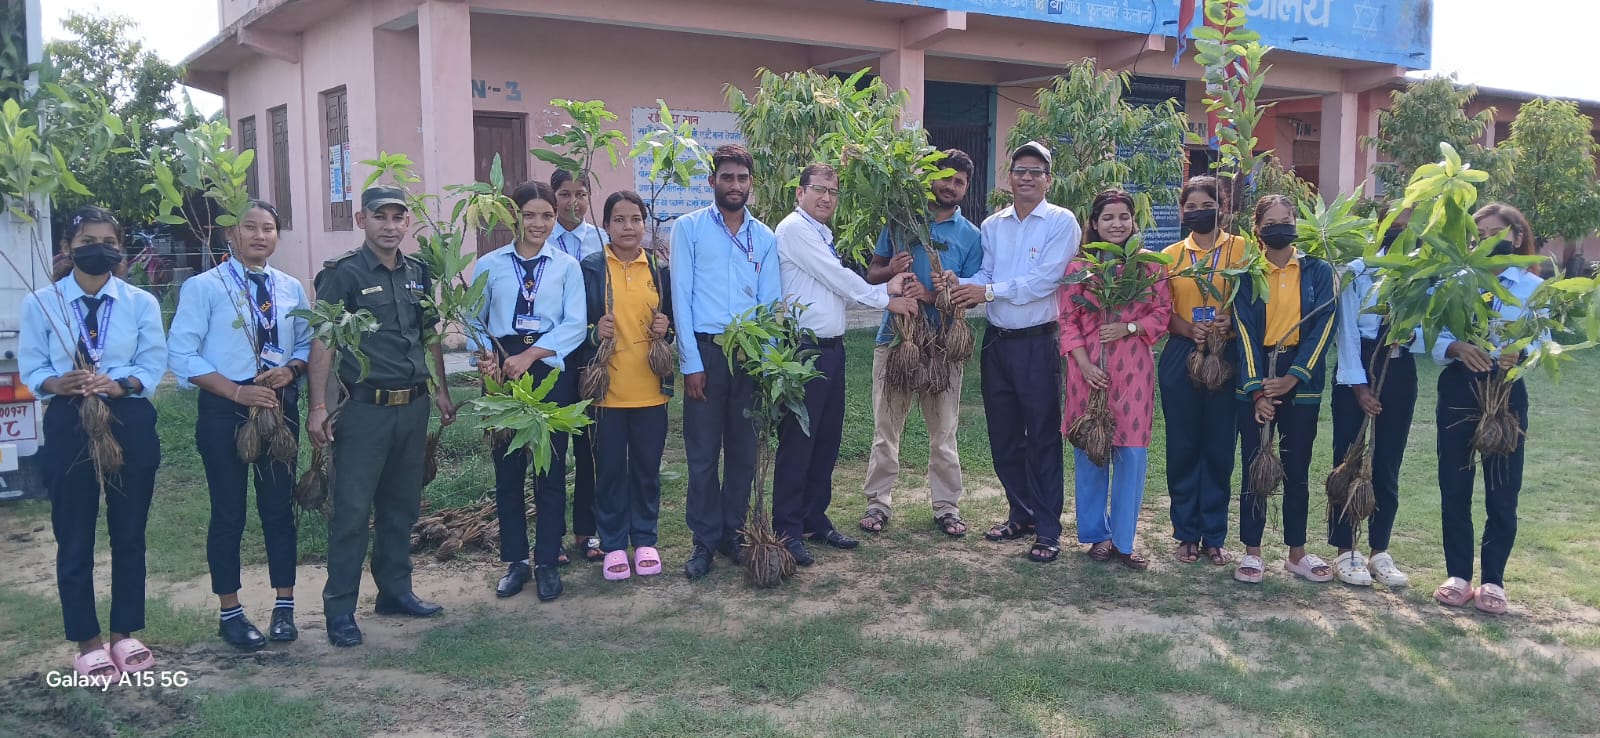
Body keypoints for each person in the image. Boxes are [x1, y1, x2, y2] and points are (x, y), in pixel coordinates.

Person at [307, 186, 458, 647]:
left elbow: (428, 332)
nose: (390, 226)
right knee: (352, 511)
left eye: (398, 217)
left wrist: (442, 389)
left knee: (401, 507)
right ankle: (340, 611)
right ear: (361, 220)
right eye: (380, 217)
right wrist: (318, 407)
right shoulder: (343, 275)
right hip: (363, 412)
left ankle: (395, 592)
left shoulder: (418, 272)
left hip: (411, 407)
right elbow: (324, 341)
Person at [21, 205, 166, 681]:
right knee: (75, 534)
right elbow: (32, 368)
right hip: (69, 420)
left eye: (107, 242)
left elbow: (151, 364)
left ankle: (125, 633)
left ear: (119, 249)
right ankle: (87, 641)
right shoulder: (41, 303)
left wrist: (120, 385)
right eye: (86, 243)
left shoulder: (140, 303)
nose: (97, 250)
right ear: (67, 248)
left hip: (127, 418)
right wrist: (56, 383)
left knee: (129, 531)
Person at [167, 200, 311, 650]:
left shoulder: (289, 288)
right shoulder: (204, 287)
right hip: (225, 407)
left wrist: (292, 369)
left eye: (268, 228)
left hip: (277, 405)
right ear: (232, 235)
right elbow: (182, 355)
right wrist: (235, 391)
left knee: (278, 509)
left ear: (277, 236)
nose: (259, 235)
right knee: (228, 512)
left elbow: (305, 341)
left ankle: (284, 607)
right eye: (250, 227)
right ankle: (230, 612)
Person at [773, 163, 918, 566]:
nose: (826, 197)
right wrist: (887, 299)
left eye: (832, 192)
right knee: (799, 442)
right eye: (818, 189)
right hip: (803, 351)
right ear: (799, 192)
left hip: (831, 350)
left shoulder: (821, 233)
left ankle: (812, 519)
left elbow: (836, 286)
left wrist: (879, 288)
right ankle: (786, 528)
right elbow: (838, 279)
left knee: (825, 440)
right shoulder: (794, 230)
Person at [943, 141, 1080, 563]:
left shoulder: (1061, 221)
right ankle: (1021, 513)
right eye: (1020, 169)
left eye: (1035, 171)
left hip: (1039, 342)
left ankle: (1048, 529)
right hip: (998, 342)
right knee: (1003, 437)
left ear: (1047, 180)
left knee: (1041, 436)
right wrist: (962, 282)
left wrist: (988, 290)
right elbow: (987, 272)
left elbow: (1045, 281)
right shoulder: (993, 225)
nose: (1026, 177)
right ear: (1009, 177)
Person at [859, 148, 984, 538]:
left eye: (959, 182)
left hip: (942, 345)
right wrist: (891, 270)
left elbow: (970, 292)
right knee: (886, 428)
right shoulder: (900, 220)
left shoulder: (971, 236)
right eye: (945, 176)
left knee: (944, 431)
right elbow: (873, 272)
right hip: (896, 340)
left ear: (966, 189)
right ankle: (878, 503)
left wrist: (939, 293)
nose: (950, 186)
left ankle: (947, 506)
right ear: (930, 178)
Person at [670, 143, 781, 580]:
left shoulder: (765, 237)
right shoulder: (690, 229)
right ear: (712, 181)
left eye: (742, 178)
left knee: (743, 450)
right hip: (707, 351)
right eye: (727, 177)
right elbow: (681, 295)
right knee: (701, 453)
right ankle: (703, 540)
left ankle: (732, 533)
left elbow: (771, 305)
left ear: (751, 183)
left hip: (750, 355)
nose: (735, 185)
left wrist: (770, 365)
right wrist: (691, 362)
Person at [472, 181, 587, 600]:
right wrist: (484, 355)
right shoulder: (490, 264)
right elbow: (472, 319)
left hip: (548, 371)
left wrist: (531, 356)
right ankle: (517, 561)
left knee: (551, 469)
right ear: (512, 217)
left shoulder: (565, 266)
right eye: (529, 215)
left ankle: (547, 560)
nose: (538, 224)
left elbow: (575, 323)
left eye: (547, 216)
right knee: (508, 470)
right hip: (502, 372)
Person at [1431, 202, 1543, 615]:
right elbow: (1432, 333)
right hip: (1460, 389)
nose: (1486, 243)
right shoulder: (1456, 279)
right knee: (1454, 487)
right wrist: (1456, 346)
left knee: (1502, 491)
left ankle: (1493, 580)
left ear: (1516, 237)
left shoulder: (1532, 286)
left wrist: (1523, 351)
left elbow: (1543, 339)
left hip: (1507, 393)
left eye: (1496, 234)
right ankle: (1458, 575)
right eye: (1479, 236)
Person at [1058, 189, 1172, 570]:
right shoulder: (1079, 269)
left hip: (1134, 370)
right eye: (1108, 217)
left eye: (1123, 217)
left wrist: (1129, 326)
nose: (1116, 224)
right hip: (1087, 371)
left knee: (1132, 453)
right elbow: (1067, 321)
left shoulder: (1150, 267)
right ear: (1094, 223)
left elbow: (1162, 314)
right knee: (1091, 448)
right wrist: (1084, 365)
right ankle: (1096, 535)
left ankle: (1124, 541)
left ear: (1133, 221)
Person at [1232, 194, 1337, 584]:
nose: (1280, 227)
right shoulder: (1247, 273)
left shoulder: (1318, 271)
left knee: (1297, 467)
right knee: (1255, 466)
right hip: (1258, 376)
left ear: (1297, 224)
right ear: (1258, 230)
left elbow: (1324, 325)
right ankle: (1253, 552)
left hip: (1301, 382)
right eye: (1271, 221)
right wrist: (1258, 391)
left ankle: (1297, 553)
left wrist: (1293, 377)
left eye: (1287, 219)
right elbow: (1243, 329)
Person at [581, 191, 674, 581]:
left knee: (646, 468)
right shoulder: (590, 268)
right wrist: (592, 331)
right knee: (610, 470)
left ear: (644, 224)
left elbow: (674, 325)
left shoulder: (658, 268)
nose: (628, 227)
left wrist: (665, 329)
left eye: (635, 219)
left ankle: (645, 539)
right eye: (619, 220)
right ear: (606, 225)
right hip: (607, 391)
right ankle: (614, 544)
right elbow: (575, 324)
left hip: (650, 389)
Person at [1159, 175, 1246, 567]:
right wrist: (1186, 327)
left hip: (1224, 356)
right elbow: (1161, 311)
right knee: (1183, 445)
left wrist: (1233, 320)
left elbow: (1252, 300)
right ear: (1181, 212)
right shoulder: (1171, 255)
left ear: (1221, 207)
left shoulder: (1242, 250)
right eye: (1189, 207)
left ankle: (1214, 535)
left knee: (1218, 446)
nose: (1197, 213)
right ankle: (1185, 534)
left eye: (1205, 205)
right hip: (1183, 352)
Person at [1328, 214, 1418, 587]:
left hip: (1398, 369)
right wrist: (1358, 385)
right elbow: (1345, 329)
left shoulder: (1419, 275)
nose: (1401, 232)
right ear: (1380, 229)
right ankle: (1345, 550)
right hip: (1359, 366)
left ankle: (1380, 549)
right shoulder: (1358, 271)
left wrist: (1411, 335)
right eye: (1395, 224)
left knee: (1387, 462)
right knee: (1347, 462)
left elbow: (1428, 330)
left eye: (1409, 225)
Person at [550, 168, 604, 563]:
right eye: (565, 193)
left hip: (592, 358)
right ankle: (551, 535)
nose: (574, 201)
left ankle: (587, 531)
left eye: (581, 193)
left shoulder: (598, 240)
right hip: (550, 357)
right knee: (552, 450)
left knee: (590, 447)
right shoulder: (541, 240)